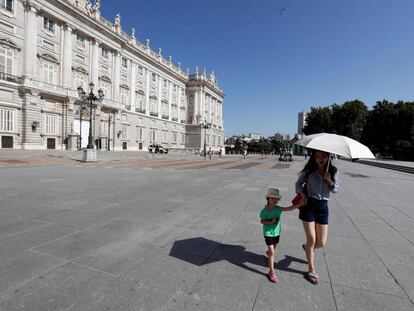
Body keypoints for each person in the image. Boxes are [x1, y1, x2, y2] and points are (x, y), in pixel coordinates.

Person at [295, 149, 340, 284]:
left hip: (323, 207)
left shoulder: (333, 171)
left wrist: (329, 180)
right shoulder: (309, 170)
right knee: (312, 239)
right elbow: (298, 184)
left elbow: (336, 189)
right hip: (308, 205)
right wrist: (302, 194)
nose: (320, 159)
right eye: (318, 156)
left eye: (324, 156)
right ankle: (311, 269)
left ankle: (307, 247)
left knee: (321, 243)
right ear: (314, 157)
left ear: (328, 157)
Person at [260, 188, 300, 283]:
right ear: (268, 198)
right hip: (268, 233)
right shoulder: (264, 211)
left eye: (276, 199)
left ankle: (269, 253)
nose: (275, 200)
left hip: (277, 232)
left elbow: (289, 208)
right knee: (272, 252)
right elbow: (262, 221)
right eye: (272, 198)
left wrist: (299, 204)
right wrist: (270, 221)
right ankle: (271, 272)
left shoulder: (278, 209)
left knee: (273, 249)